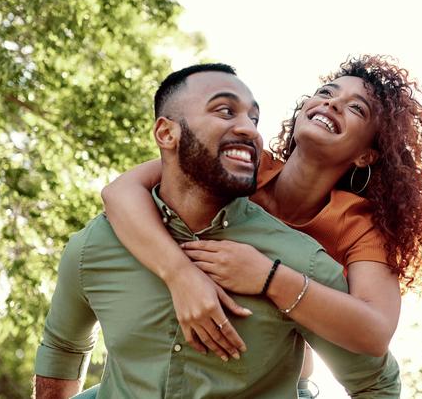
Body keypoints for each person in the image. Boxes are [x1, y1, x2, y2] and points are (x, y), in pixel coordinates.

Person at [33, 63, 400, 398]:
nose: (333, 104)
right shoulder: (239, 165)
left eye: (356, 108)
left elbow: (374, 335)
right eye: (326, 92)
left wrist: (268, 277)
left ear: (366, 155)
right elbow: (120, 192)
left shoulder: (358, 228)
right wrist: (181, 275)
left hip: (277, 369)